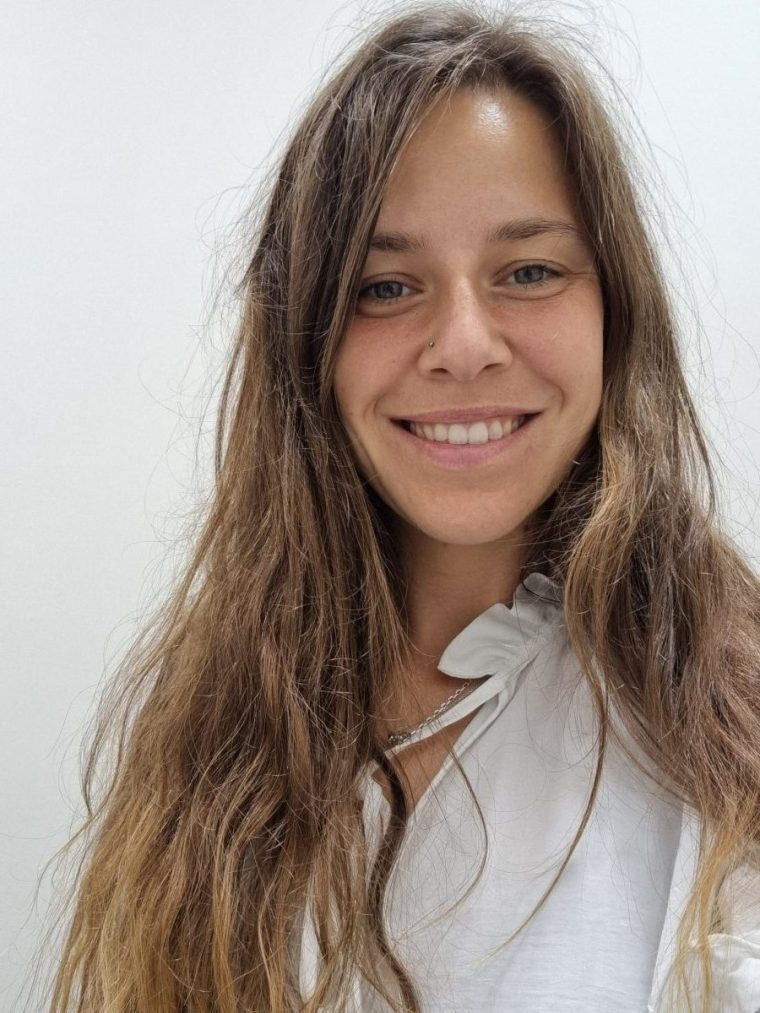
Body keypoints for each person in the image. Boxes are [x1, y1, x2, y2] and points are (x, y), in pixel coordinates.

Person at [41, 4, 760, 1011]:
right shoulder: (208, 739)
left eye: (528, 271)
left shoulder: (730, 726)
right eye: (384, 286)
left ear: (615, 310)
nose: (462, 344)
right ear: (308, 342)